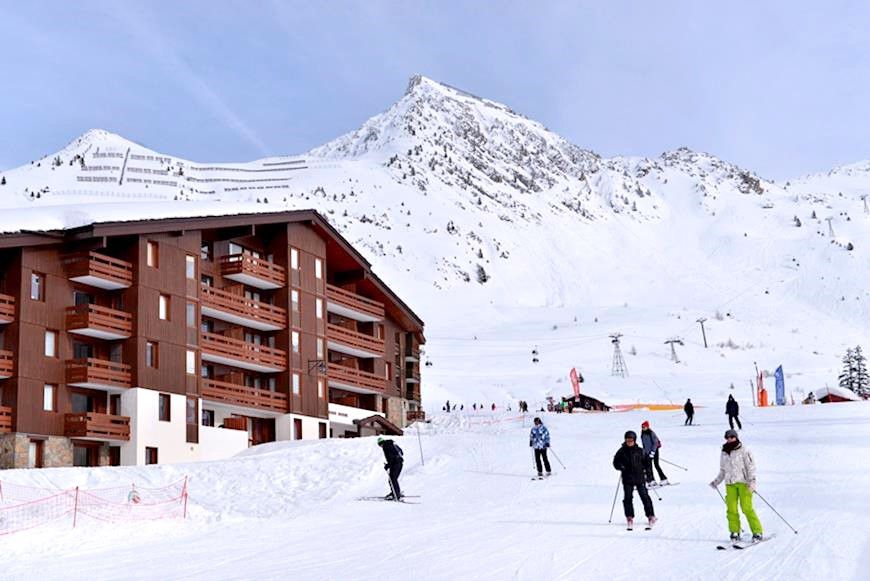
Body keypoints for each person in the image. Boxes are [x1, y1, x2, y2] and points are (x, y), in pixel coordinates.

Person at [709, 429, 763, 542]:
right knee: (731, 509)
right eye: (727, 437)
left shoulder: (744, 450)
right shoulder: (724, 452)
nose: (730, 439)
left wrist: (752, 481)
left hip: (744, 483)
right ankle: (735, 531)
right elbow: (723, 470)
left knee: (746, 508)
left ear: (736, 437)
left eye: (732, 437)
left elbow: (751, 467)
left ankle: (757, 531)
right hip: (730, 484)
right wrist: (716, 481)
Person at [613, 430, 656, 529]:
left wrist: (649, 475)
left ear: (634, 440)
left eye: (631, 440)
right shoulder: (621, 451)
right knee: (627, 498)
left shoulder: (640, 451)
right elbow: (615, 462)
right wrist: (620, 466)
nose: (629, 442)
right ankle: (629, 517)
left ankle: (651, 516)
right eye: (627, 440)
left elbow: (647, 464)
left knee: (644, 497)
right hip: (627, 478)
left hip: (639, 477)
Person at [640, 421, 668, 486]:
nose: (643, 428)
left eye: (644, 427)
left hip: (654, 451)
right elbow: (644, 444)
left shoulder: (651, 433)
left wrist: (652, 453)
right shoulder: (642, 434)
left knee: (656, 465)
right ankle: (652, 480)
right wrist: (644, 452)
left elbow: (655, 443)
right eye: (642, 427)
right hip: (647, 453)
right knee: (648, 466)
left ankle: (664, 479)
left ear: (647, 427)